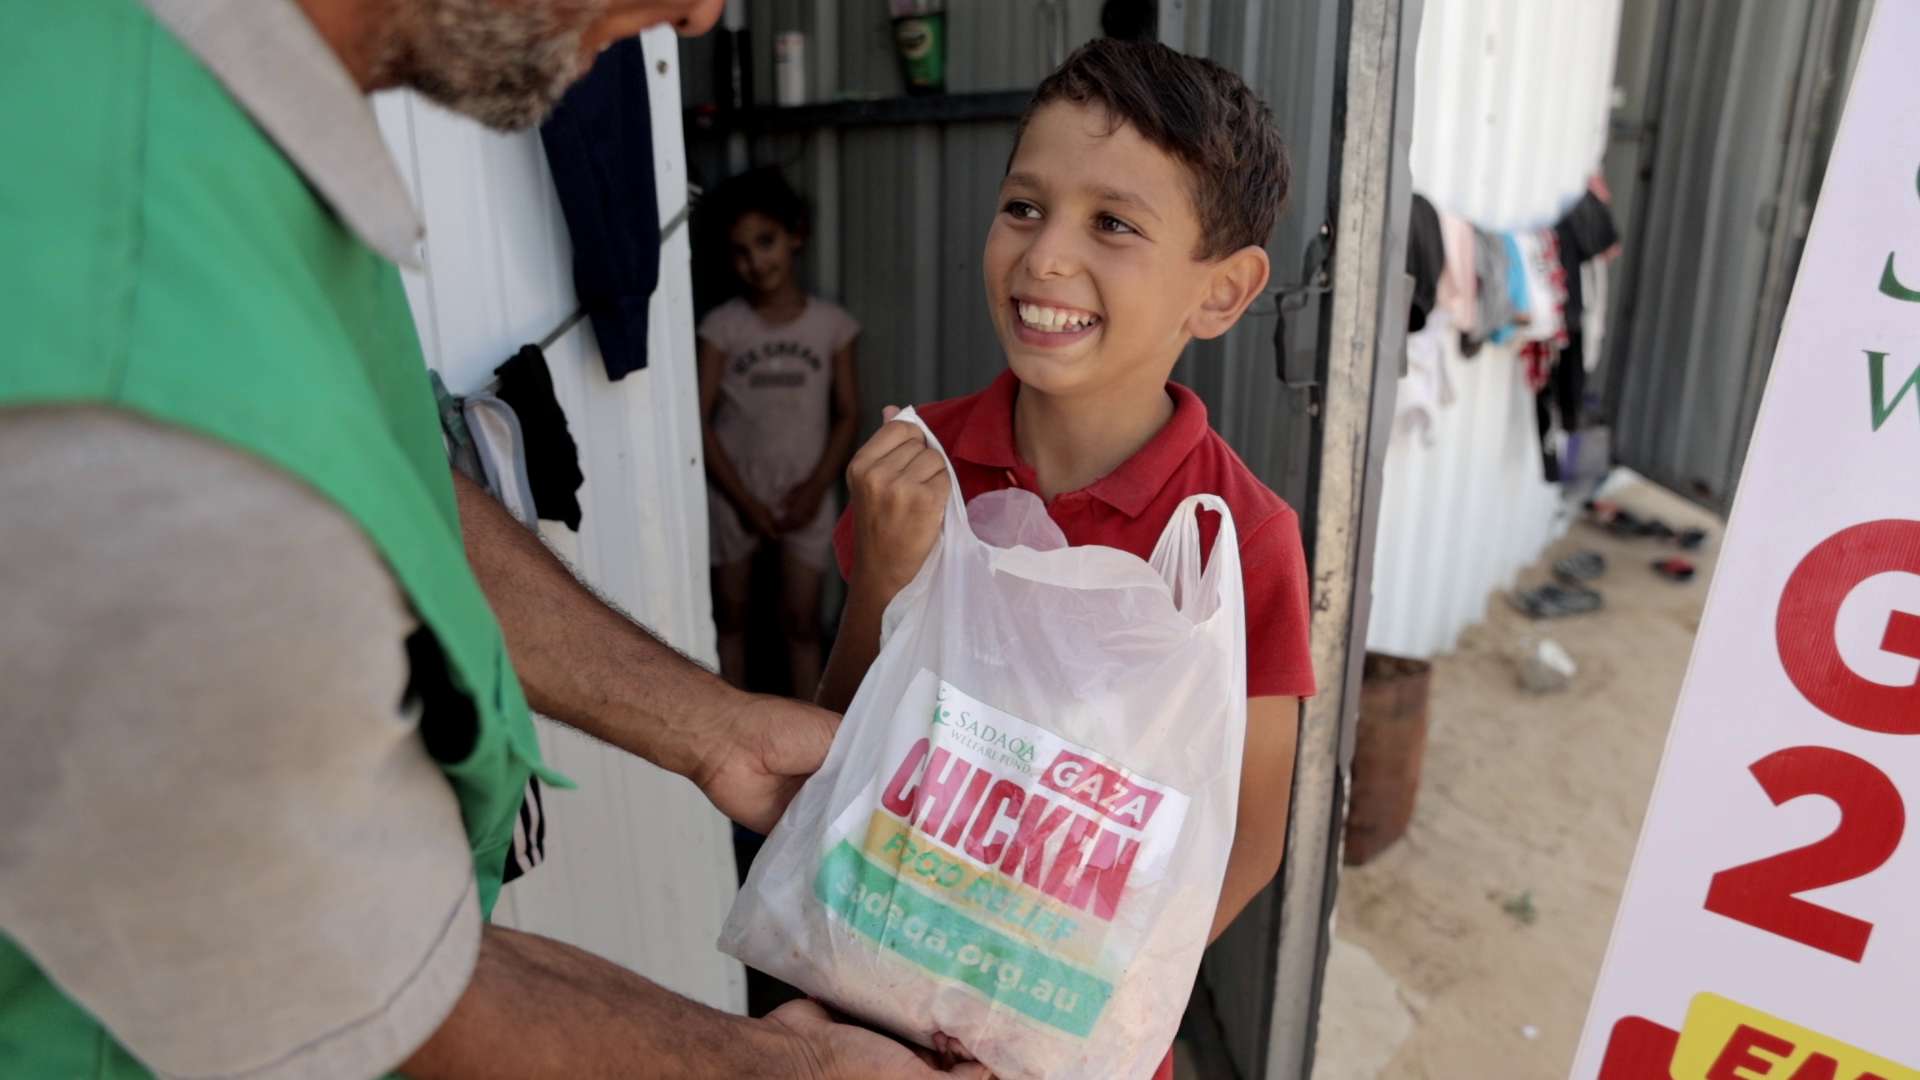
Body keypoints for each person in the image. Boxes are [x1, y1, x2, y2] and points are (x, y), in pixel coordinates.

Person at [0, 1, 984, 1077]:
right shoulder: (126, 377)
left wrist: (716, 728)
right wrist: (807, 1068)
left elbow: (392, 477)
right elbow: (380, 1010)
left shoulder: (187, 106)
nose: (699, 13)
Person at [814, 38, 1318, 1080]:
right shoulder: (920, 470)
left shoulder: (1237, 542)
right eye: (1024, 207)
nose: (1044, 257)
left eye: (1113, 224)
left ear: (1220, 294)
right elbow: (836, 747)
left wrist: (1048, 1020)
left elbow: (1252, 841)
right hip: (867, 1010)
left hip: (1066, 1042)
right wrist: (884, 578)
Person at [697, 170, 861, 696]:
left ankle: (810, 742)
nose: (755, 262)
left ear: (795, 235)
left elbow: (848, 414)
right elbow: (698, 420)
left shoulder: (831, 326)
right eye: (740, 251)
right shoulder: (722, 328)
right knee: (732, 619)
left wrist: (816, 489)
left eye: (765, 242)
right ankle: (729, 725)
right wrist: (743, 500)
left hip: (804, 494)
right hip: (734, 492)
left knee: (802, 623)